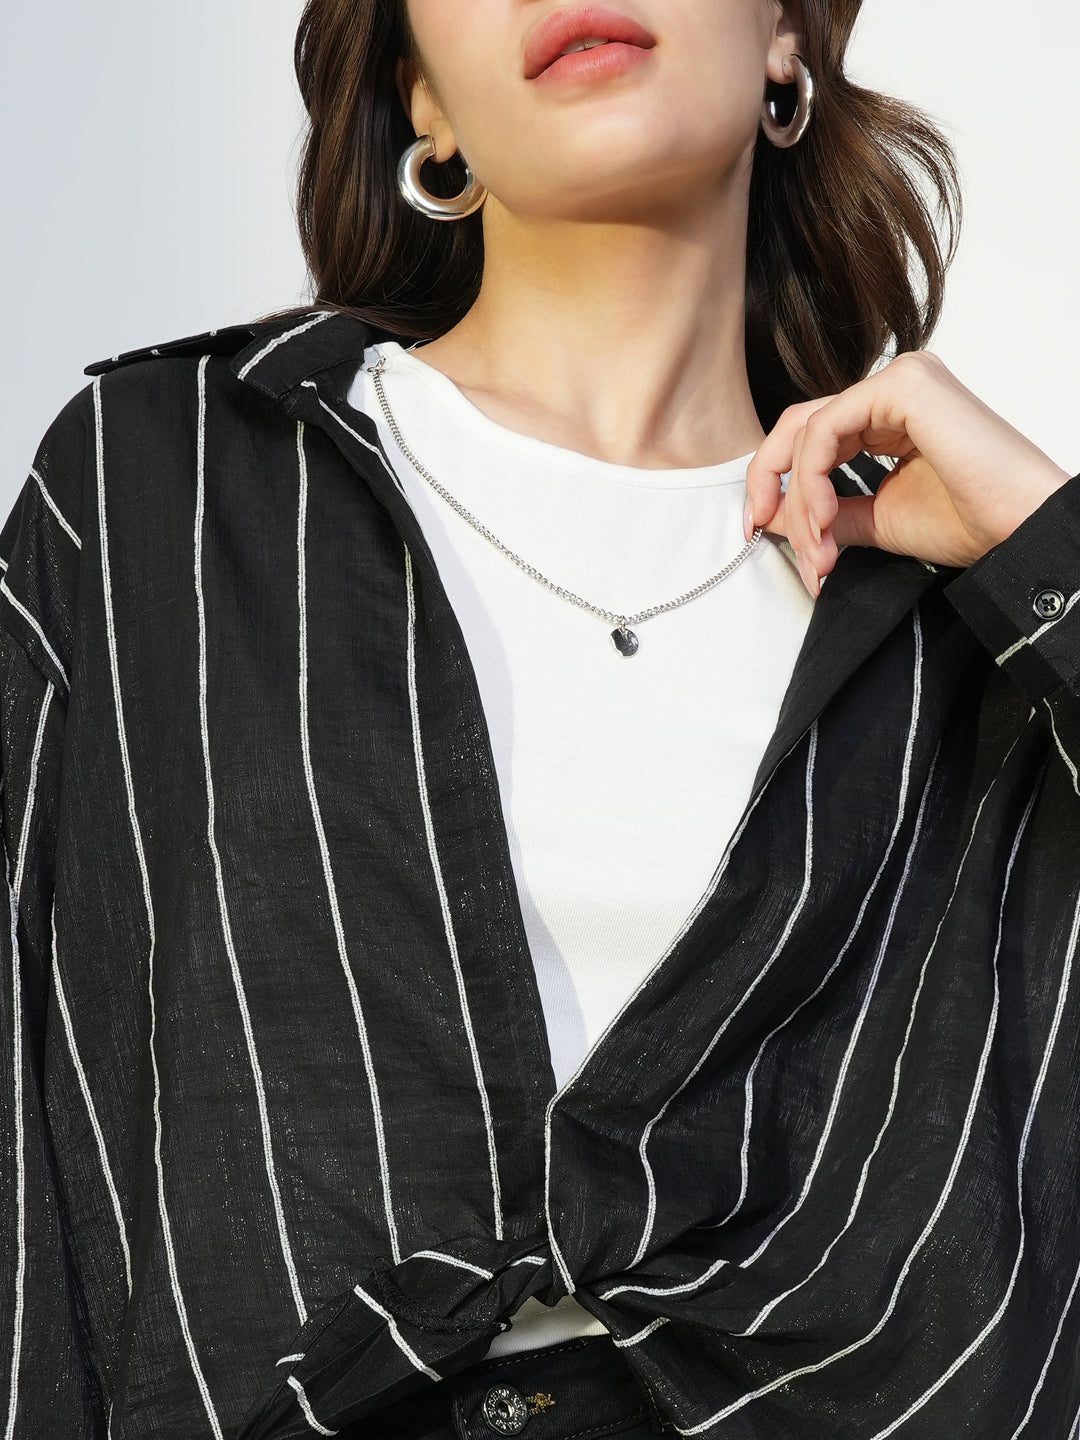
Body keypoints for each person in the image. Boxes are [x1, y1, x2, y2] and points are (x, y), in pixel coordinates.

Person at [1, 0, 1078, 1436]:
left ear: (780, 39)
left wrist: (1046, 546)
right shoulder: (168, 494)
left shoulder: (971, 620)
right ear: (420, 101)